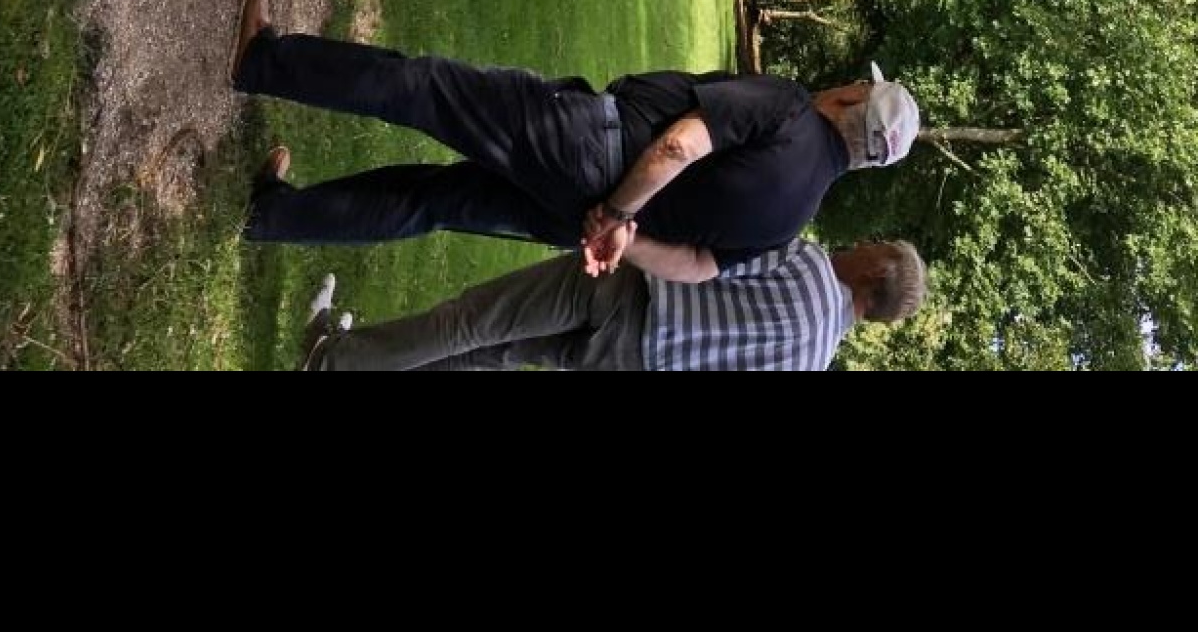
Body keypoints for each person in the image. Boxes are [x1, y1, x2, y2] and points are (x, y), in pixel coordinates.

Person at [230, 0, 920, 272]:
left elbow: (680, 145)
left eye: (862, 85)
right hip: (581, 222)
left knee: (429, 90)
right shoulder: (793, 221)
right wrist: (620, 234)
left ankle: (263, 61)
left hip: (588, 148)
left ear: (854, 100)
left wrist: (618, 209)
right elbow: (696, 267)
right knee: (433, 202)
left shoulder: (791, 107)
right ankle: (272, 216)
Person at [294, 232, 928, 372]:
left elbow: (709, 255)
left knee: (472, 322)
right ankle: (357, 359)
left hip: (630, 294)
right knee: (490, 354)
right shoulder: (812, 365)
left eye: (872, 246)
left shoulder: (808, 261)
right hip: (627, 361)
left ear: (875, 271)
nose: (860, 244)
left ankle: (328, 356)